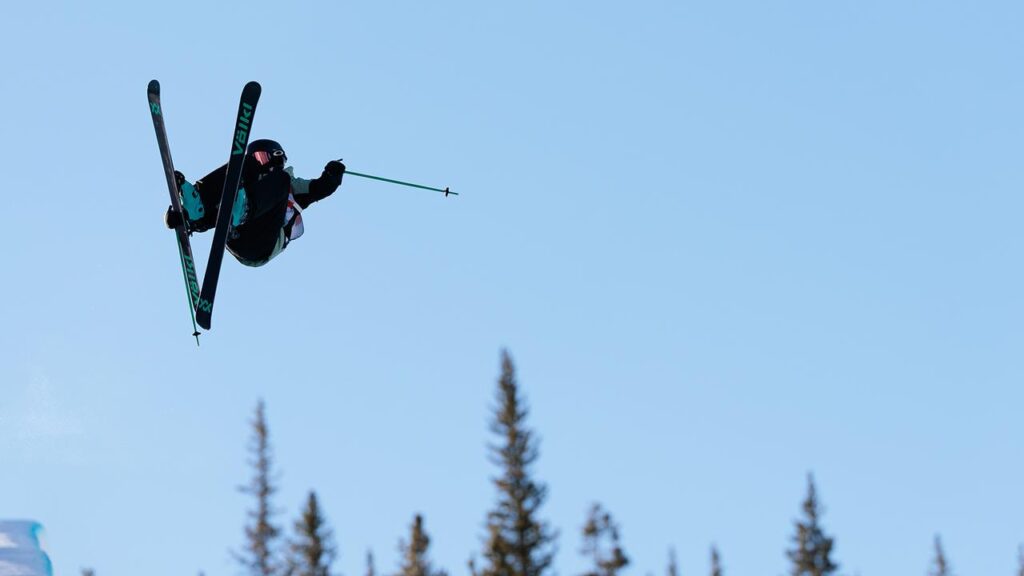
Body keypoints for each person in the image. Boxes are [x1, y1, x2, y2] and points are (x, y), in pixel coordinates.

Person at [165, 139, 345, 267]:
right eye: (257, 158)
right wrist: (180, 217)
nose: (259, 164)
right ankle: (196, 208)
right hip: (237, 236)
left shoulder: (289, 185)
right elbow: (219, 212)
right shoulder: (242, 187)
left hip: (262, 242)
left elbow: (319, 189)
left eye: (262, 158)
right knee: (238, 170)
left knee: (281, 180)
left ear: (277, 159)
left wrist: (332, 175)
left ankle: (245, 209)